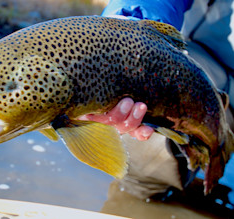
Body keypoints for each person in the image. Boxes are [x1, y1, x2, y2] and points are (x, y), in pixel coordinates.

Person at [79, 0, 234, 209]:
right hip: (187, 60)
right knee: (144, 148)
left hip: (216, 78)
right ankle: (134, 203)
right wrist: (128, 27)